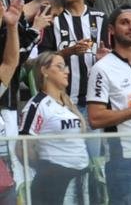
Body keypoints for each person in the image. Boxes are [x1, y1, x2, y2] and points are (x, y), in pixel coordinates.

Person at [19, 53, 89, 203]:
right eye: (60, 67)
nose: (67, 71)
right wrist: (46, 169)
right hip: (55, 182)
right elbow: (23, 145)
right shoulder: (37, 104)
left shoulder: (68, 103)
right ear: (44, 71)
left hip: (81, 176)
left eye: (66, 67)